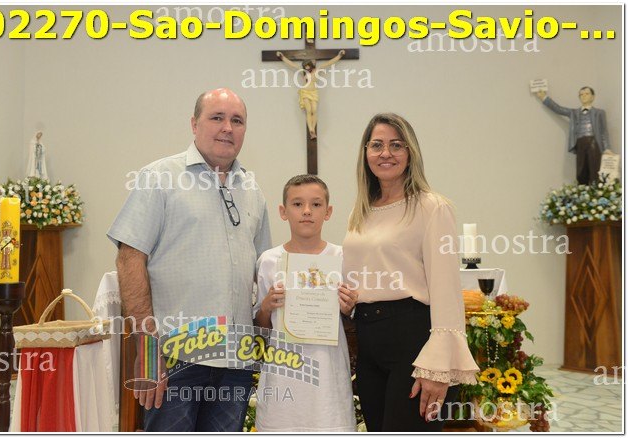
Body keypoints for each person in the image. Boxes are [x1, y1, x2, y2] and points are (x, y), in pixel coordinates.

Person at [107, 88, 272, 432]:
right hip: (174, 359)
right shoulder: (159, 178)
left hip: (236, 362)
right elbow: (129, 259)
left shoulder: (252, 191)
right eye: (217, 118)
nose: (227, 127)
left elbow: (263, 272)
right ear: (194, 124)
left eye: (237, 120)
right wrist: (147, 350)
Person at [342, 113, 479, 432]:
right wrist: (346, 300)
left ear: (410, 152)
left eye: (396, 145)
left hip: (412, 341)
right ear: (365, 152)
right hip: (368, 341)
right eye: (377, 145)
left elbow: (447, 290)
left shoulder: (432, 207)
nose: (385, 153)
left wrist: (438, 366)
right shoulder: (360, 212)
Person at [253, 174, 357, 432]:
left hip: (328, 377)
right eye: (298, 204)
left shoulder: (343, 258)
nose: (307, 211)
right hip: (283, 377)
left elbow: (355, 320)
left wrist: (349, 308)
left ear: (328, 212)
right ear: (283, 211)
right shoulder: (269, 260)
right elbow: (261, 328)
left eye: (316, 204)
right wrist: (266, 307)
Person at [536, 87, 611, 185]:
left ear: (593, 97)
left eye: (587, 94)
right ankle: (582, 189)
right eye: (581, 94)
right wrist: (544, 98)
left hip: (594, 143)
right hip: (580, 143)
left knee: (595, 168)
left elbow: (603, 131)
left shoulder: (599, 113)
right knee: (581, 169)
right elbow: (559, 109)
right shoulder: (574, 113)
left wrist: (607, 148)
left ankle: (595, 189)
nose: (584, 96)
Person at [276, 49, 345, 139]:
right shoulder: (303, 72)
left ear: (311, 65)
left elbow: (328, 63)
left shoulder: (317, 70)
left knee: (314, 110)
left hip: (314, 92)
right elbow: (292, 64)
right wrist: (282, 57)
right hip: (305, 92)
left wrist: (339, 56)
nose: (307, 68)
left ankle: (313, 129)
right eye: (305, 67)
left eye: (308, 66)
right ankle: (311, 130)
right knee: (308, 110)